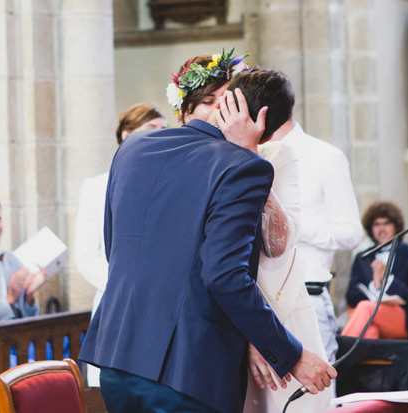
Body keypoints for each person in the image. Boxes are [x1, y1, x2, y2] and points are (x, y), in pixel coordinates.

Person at [79, 49, 336, 412]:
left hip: (117, 357)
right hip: (188, 371)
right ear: (263, 121)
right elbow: (224, 276)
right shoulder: (244, 166)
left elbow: (115, 249)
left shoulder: (134, 147)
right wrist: (293, 356)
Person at [240, 101, 332, 410]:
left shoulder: (279, 154)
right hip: (239, 315)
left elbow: (279, 243)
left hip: (287, 294)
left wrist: (303, 230)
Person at [74, 103, 166, 387]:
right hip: (117, 300)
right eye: (151, 130)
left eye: (164, 131)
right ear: (126, 135)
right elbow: (86, 255)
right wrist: (128, 287)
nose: (161, 136)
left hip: (160, 303)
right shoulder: (97, 186)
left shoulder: (169, 182)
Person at [271, 116, 363, 365]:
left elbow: (351, 233)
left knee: (315, 400)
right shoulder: (250, 153)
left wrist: (292, 225)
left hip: (306, 297)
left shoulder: (325, 157)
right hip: (258, 307)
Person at [342, 201, 408, 339]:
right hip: (371, 315)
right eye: (376, 224)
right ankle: (358, 360)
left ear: (396, 227)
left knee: (365, 308)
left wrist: (388, 279)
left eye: (386, 223)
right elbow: (351, 297)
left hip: (402, 318)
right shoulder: (362, 257)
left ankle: (340, 355)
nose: (381, 229)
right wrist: (373, 286)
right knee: (369, 332)